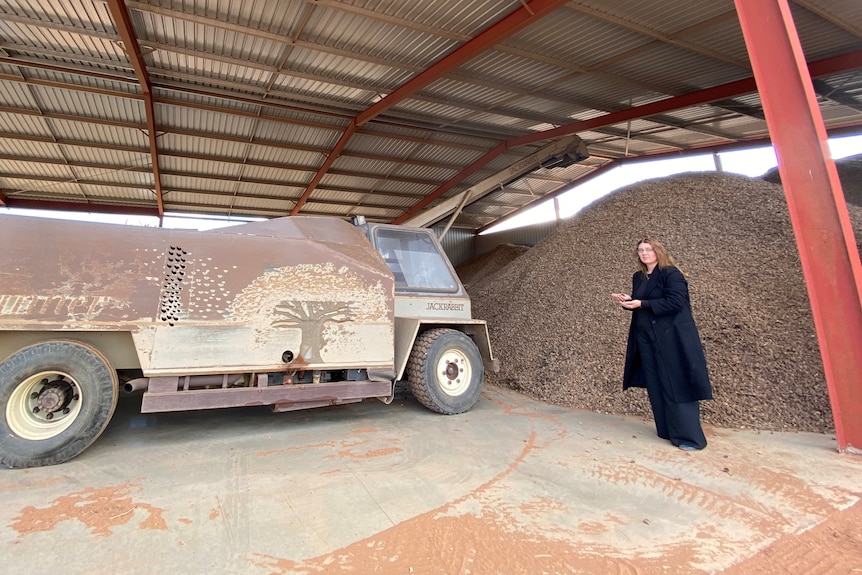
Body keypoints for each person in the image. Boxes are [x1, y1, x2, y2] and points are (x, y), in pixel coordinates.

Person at [611, 238, 712, 451]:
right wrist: (629, 301)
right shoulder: (639, 277)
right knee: (656, 383)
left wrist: (642, 303)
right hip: (646, 338)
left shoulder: (671, 274)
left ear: (658, 251)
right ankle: (666, 430)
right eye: (641, 250)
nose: (644, 253)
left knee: (676, 383)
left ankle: (689, 437)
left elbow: (677, 301)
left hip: (670, 338)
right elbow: (642, 301)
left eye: (649, 249)